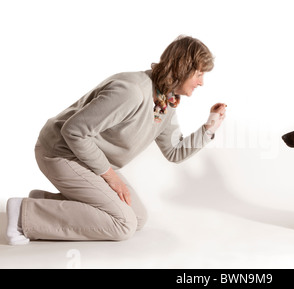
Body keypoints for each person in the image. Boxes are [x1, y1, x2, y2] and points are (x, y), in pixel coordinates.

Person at [5, 35, 226, 245]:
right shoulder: (132, 91)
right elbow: (73, 131)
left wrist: (209, 127)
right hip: (59, 152)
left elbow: (175, 152)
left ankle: (42, 203)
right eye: (198, 74)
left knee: (137, 218)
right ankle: (23, 215)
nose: (201, 82)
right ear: (182, 68)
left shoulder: (165, 103)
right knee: (123, 224)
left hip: (85, 158)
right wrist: (111, 177)